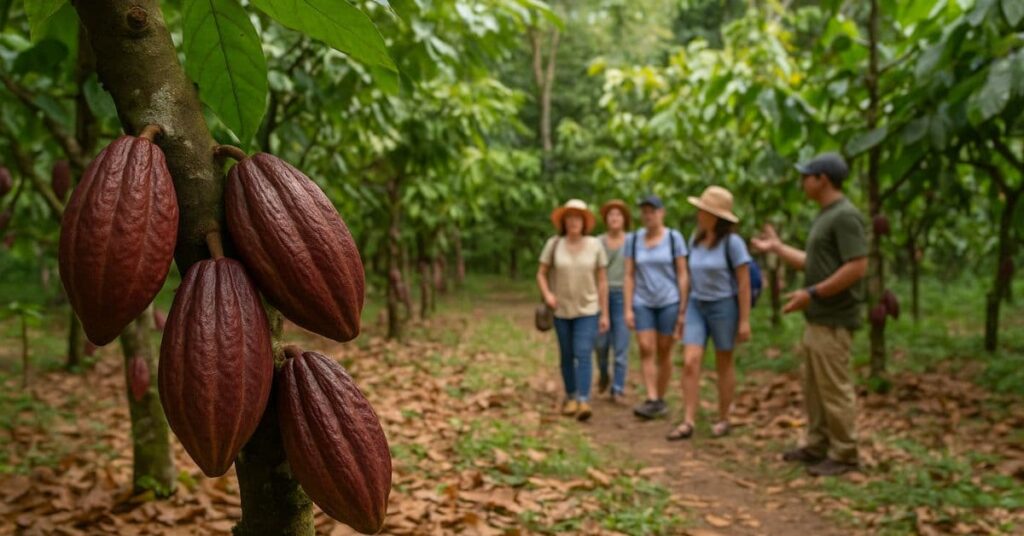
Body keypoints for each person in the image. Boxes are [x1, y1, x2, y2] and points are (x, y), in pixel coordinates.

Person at [751, 153, 868, 477]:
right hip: (818, 318)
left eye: (807, 176)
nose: (803, 182)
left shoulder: (845, 216)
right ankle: (818, 445)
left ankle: (845, 453)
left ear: (823, 180)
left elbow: (857, 265)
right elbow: (813, 263)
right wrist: (777, 248)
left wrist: (813, 293)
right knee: (815, 389)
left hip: (834, 318)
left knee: (834, 388)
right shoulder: (826, 216)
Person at [667, 186, 752, 441]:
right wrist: (682, 313)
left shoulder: (732, 244)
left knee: (723, 361)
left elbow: (744, 283)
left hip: (723, 306)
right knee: (691, 360)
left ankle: (724, 417)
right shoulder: (696, 238)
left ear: (717, 216)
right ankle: (688, 419)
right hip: (696, 304)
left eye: (704, 211)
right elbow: (691, 277)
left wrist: (744, 320)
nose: (699, 215)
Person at [537, 199, 610, 422]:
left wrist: (604, 313)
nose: (573, 222)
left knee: (583, 352)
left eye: (577, 218)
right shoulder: (554, 244)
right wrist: (548, 294)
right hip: (561, 310)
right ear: (564, 221)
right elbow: (541, 272)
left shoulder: (595, 244)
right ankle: (570, 395)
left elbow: (602, 281)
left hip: (588, 308)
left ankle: (584, 399)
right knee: (566, 355)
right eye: (569, 218)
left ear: (584, 222)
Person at [624, 195, 689, 420]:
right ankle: (651, 397)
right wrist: (628, 308)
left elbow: (682, 273)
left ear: (662, 213)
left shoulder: (673, 238)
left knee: (664, 349)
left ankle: (660, 397)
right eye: (644, 211)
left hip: (668, 300)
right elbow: (629, 275)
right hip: (643, 300)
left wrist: (683, 306)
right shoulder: (633, 240)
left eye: (652, 211)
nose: (648, 215)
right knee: (645, 346)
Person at [594, 200, 631, 404]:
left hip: (623, 294)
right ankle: (603, 372)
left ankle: (618, 388)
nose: (614, 218)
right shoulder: (598, 242)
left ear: (625, 219)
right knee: (600, 343)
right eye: (610, 215)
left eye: (618, 215)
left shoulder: (632, 241)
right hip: (602, 294)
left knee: (621, 344)